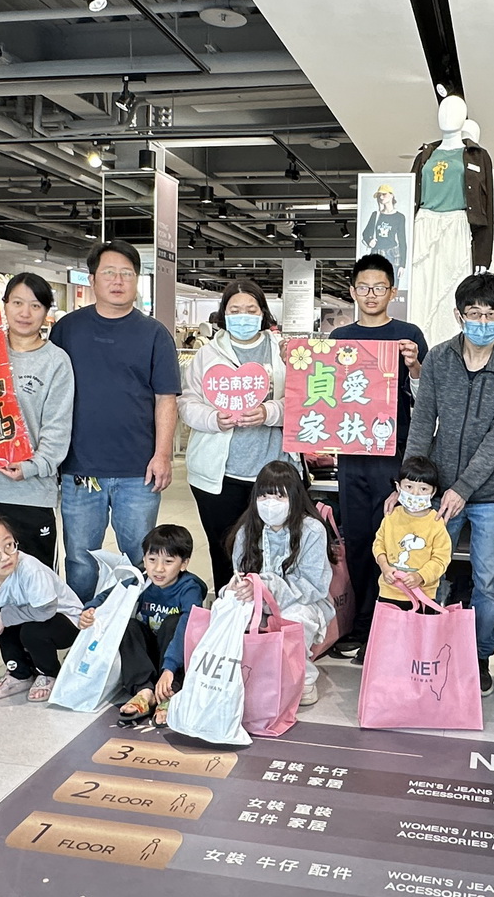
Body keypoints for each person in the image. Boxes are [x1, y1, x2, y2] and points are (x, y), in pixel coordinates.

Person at [401, 272, 494, 697]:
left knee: (488, 581)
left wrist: (464, 488)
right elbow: (423, 420)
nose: (482, 322)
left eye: (491, 315)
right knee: (427, 571)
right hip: (438, 488)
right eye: (474, 313)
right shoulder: (440, 358)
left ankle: (479, 656)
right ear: (459, 315)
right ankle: (428, 649)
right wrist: (410, 482)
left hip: (493, 492)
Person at [0, 272, 74, 678]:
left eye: (35, 305)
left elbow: (57, 429)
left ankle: (31, 654)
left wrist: (33, 466)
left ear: (46, 312)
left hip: (30, 491)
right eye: (17, 302)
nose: (25, 312)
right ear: (3, 306)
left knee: (31, 571)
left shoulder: (56, 361)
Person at [50, 240, 180, 601]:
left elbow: (166, 399)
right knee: (79, 561)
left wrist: (163, 455)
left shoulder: (155, 334)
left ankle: (138, 624)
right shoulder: (67, 329)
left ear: (137, 280)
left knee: (141, 559)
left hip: (138, 471)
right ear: (92, 279)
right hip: (79, 469)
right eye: (109, 272)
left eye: (127, 273)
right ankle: (80, 623)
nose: (118, 280)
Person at [329, 254, 427, 659]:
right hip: (351, 452)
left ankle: (383, 622)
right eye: (364, 288)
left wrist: (415, 365)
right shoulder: (339, 337)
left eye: (379, 288)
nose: (371, 295)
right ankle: (358, 621)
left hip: (393, 453)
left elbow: (426, 398)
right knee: (355, 539)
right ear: (353, 291)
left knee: (389, 538)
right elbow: (326, 394)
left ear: (392, 292)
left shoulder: (408, 335)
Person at [178, 280, 288, 592]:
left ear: (263, 312)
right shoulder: (207, 354)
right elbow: (186, 402)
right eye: (235, 310)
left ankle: (268, 612)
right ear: (223, 314)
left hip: (272, 470)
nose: (243, 316)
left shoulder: (282, 352)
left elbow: (304, 402)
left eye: (251, 310)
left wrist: (269, 412)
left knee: (272, 552)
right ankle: (229, 609)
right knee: (224, 550)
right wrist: (213, 418)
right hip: (217, 475)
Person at [225, 460, 334, 706]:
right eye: (264, 496)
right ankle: (243, 675)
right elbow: (239, 573)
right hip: (256, 600)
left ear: (294, 498)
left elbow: (313, 586)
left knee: (292, 619)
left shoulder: (312, 530)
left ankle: (303, 678)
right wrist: (236, 588)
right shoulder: (246, 530)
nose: (270, 503)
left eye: (279, 496)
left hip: (304, 601)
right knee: (230, 612)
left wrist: (268, 587)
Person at [80, 524, 207, 726]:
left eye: (168, 562)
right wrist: (90, 609)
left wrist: (169, 669)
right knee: (128, 626)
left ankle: (171, 692)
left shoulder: (189, 588)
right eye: (152, 560)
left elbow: (187, 630)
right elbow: (110, 595)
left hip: (175, 659)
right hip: (148, 656)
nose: (158, 568)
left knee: (175, 623)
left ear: (184, 564)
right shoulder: (142, 581)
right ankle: (144, 690)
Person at [0, 515, 82, 706]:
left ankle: (49, 673)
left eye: (9, 545)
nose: (5, 556)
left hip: (66, 622)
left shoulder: (31, 570)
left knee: (29, 629)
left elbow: (46, 610)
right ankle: (20, 674)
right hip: (28, 618)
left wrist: (5, 617)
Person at [369, 455, 451, 632]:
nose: (415, 493)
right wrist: (384, 567)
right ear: (398, 487)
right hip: (389, 593)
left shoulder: (436, 523)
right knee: (389, 638)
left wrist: (420, 576)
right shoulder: (391, 516)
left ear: (433, 492)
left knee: (419, 639)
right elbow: (378, 544)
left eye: (423, 489)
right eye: (409, 487)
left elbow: (441, 559)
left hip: (423, 596)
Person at [361, 184, 408, 287]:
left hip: (393, 253)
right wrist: (369, 241)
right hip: (377, 252)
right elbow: (365, 233)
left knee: (392, 285)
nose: (381, 197)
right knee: (376, 285)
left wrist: (402, 264)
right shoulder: (376, 215)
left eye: (384, 194)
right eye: (379, 195)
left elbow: (402, 240)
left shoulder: (399, 217)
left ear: (391, 195)